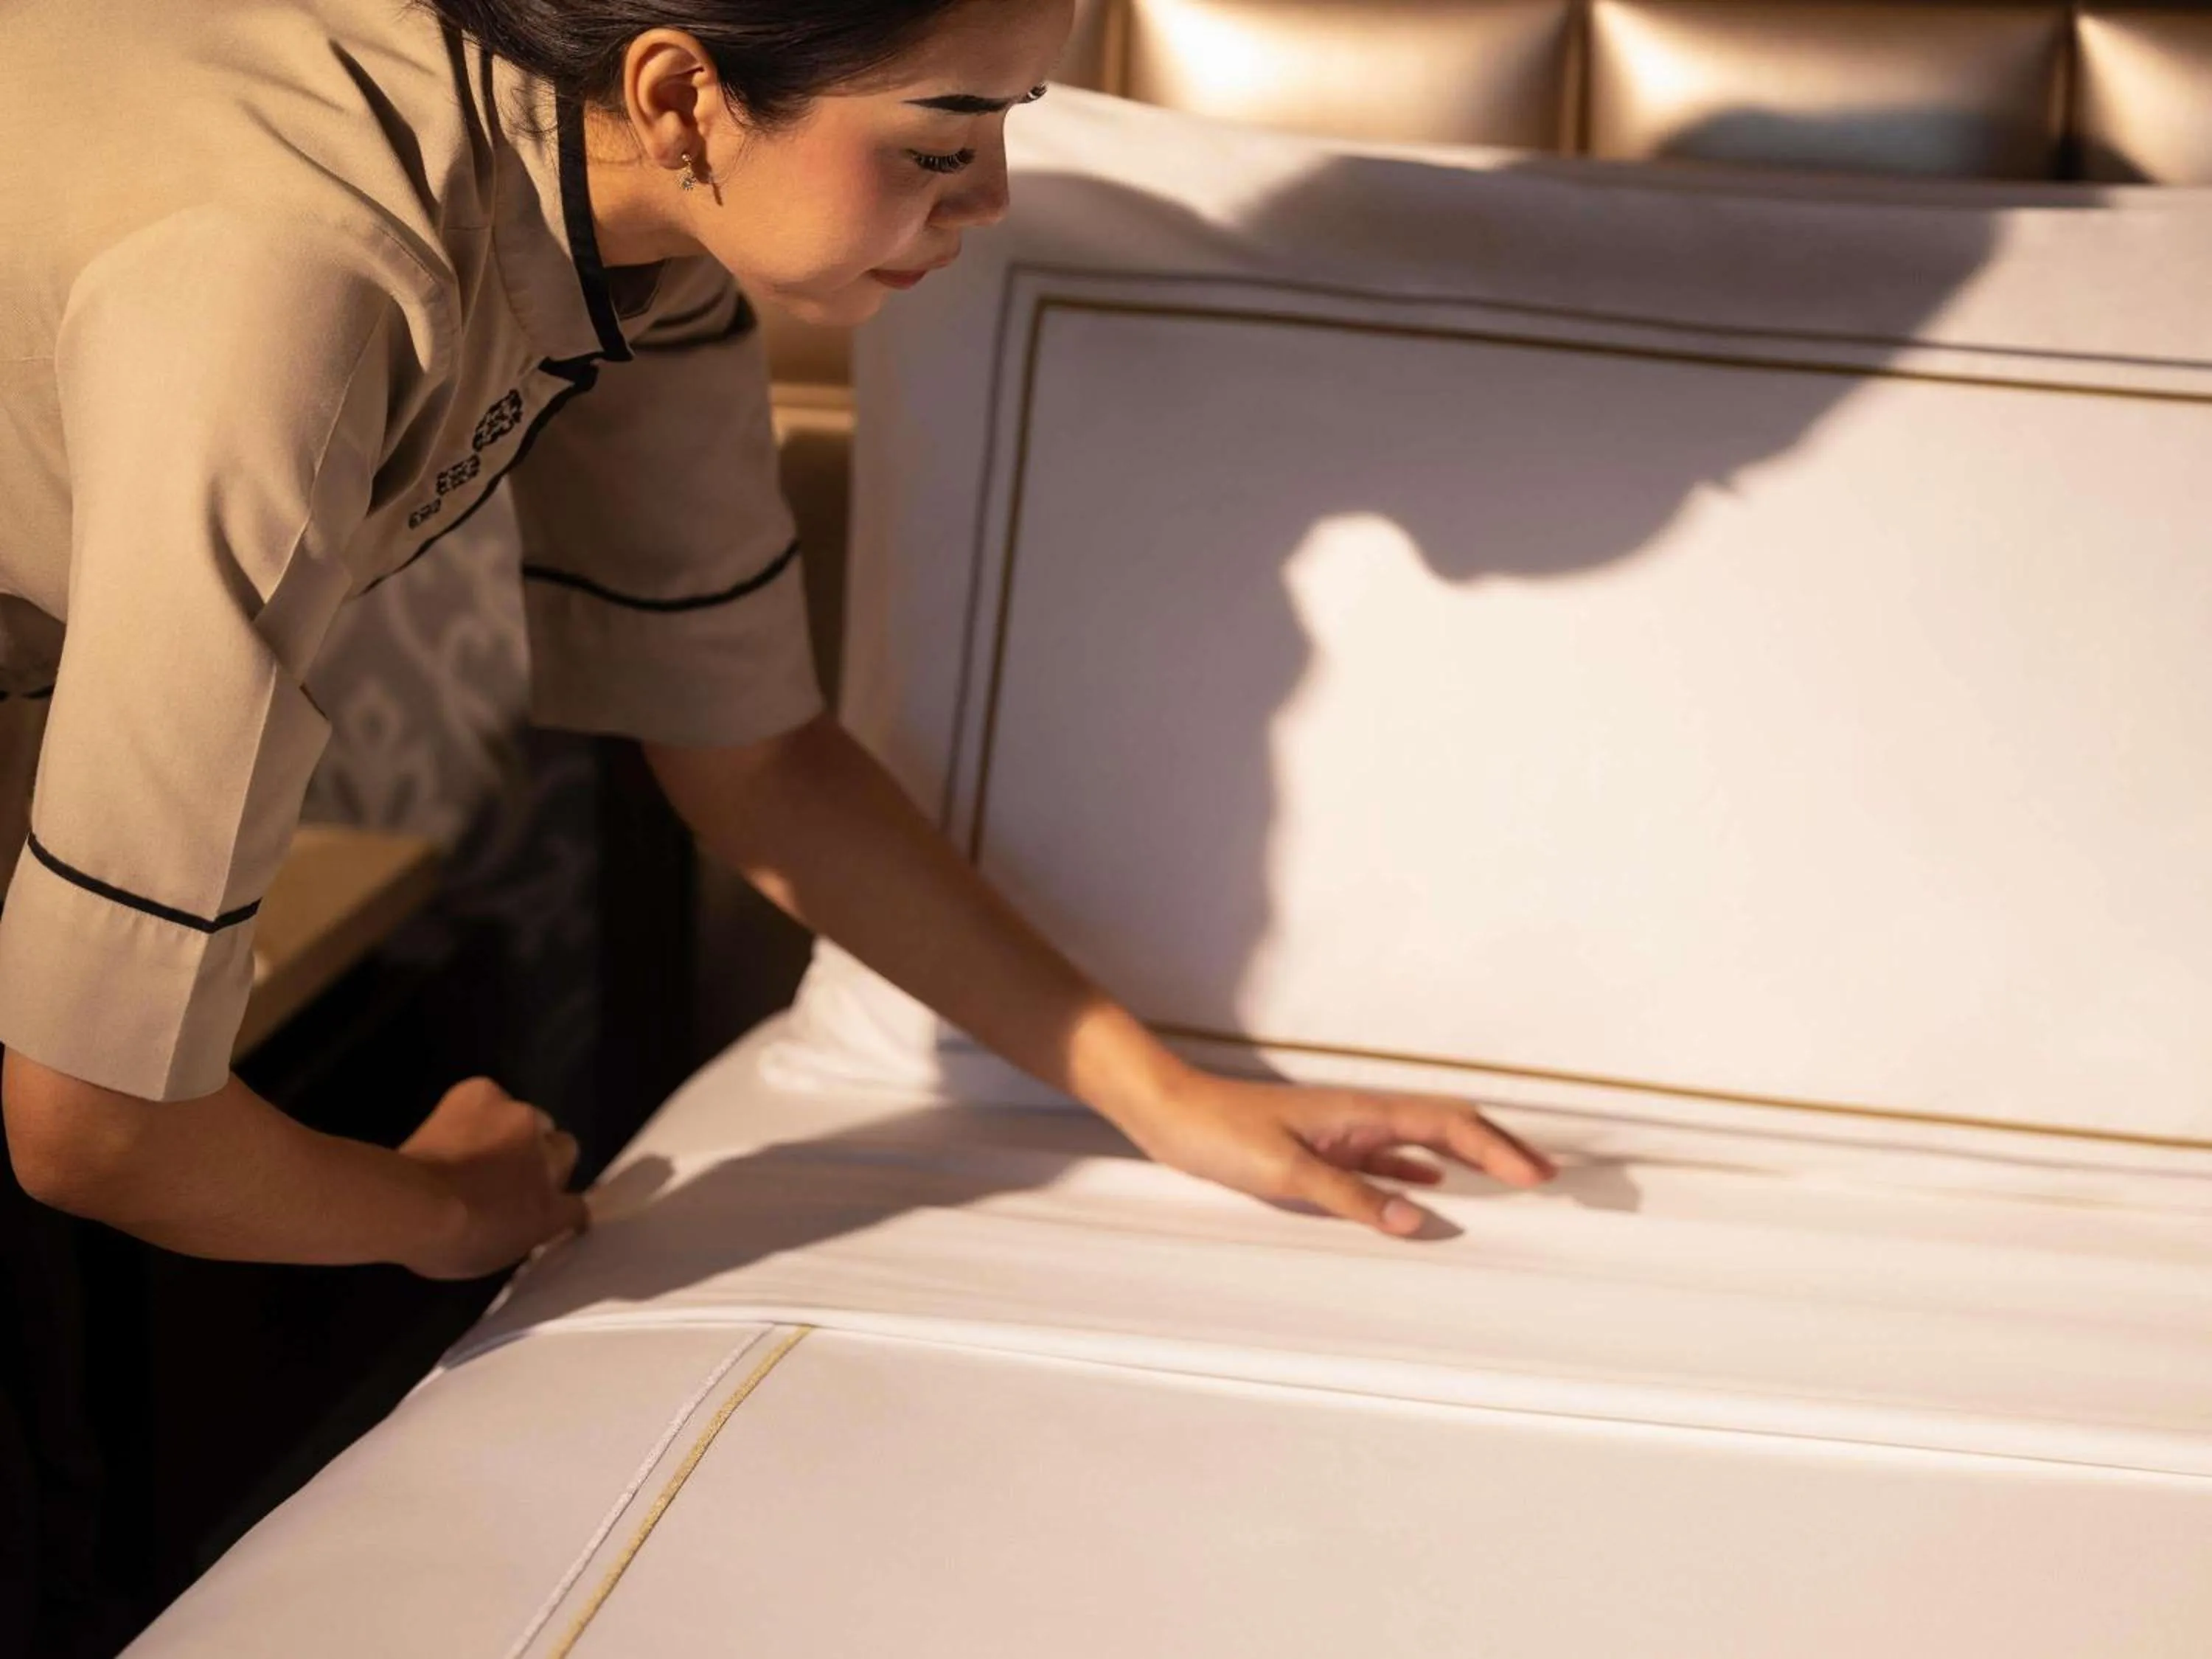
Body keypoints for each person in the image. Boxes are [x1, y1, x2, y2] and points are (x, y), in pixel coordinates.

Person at [0, 0, 1555, 1283]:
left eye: (1012, 125)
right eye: (944, 139)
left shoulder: (639, 218)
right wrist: (456, 1211)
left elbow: (755, 757)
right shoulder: (302, 294)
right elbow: (97, 1125)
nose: (993, 197)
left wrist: (1169, 1098)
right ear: (681, 91)